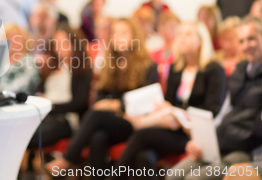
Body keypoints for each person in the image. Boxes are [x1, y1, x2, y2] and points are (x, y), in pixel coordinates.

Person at [45, 18, 158, 180]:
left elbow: (146, 101)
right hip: (114, 121)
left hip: (136, 122)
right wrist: (113, 106)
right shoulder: (111, 63)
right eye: (114, 33)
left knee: (96, 116)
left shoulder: (148, 65)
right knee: (97, 137)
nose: (118, 37)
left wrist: (116, 104)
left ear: (135, 36)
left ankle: (67, 159)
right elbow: (100, 98)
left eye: (124, 33)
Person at [112, 21, 226, 180]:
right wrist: (168, 110)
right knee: (144, 156)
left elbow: (212, 110)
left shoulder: (213, 69)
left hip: (194, 132)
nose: (182, 39)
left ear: (200, 40)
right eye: (180, 34)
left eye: (188, 34)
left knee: (142, 135)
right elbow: (169, 101)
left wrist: (178, 113)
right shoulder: (176, 68)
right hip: (173, 127)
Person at [167, 16, 262, 180]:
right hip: (221, 141)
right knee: (174, 175)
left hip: (245, 149)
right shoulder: (240, 71)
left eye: (251, 39)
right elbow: (224, 113)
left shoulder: (215, 69)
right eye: (241, 41)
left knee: (194, 179)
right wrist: (203, 141)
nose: (246, 46)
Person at [28, 23, 93, 149]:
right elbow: (39, 91)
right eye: (56, 44)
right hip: (44, 114)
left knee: (31, 137)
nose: (59, 48)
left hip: (66, 119)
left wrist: (52, 106)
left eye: (63, 43)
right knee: (21, 131)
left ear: (74, 44)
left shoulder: (81, 69)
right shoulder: (51, 67)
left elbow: (80, 103)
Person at [0, 24, 40, 95]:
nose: (12, 41)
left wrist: (2, 92)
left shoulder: (28, 61)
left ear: (23, 40)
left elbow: (25, 84)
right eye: (8, 37)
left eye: (16, 38)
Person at [151, 12, 180, 91]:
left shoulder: (181, 54)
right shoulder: (153, 54)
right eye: (163, 26)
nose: (167, 30)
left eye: (172, 27)